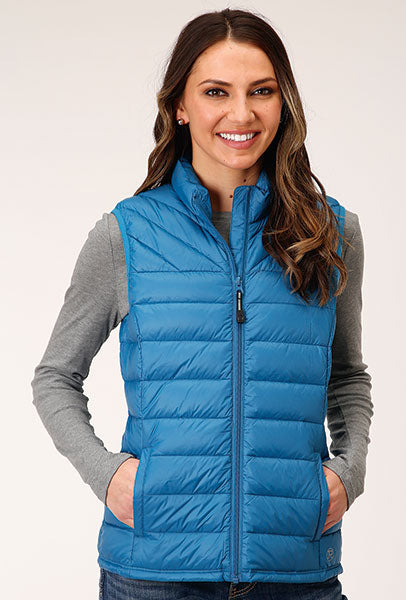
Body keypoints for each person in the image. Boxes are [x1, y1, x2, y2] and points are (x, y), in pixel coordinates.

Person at [31, 7, 374, 600]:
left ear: (283, 103)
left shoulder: (329, 233)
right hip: (153, 573)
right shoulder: (126, 235)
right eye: (216, 91)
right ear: (180, 107)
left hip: (295, 570)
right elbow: (55, 376)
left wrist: (349, 474)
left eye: (261, 91)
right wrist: (108, 476)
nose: (241, 114)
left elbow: (346, 377)